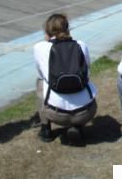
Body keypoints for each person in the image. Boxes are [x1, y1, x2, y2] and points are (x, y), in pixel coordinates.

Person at [33, 14, 97, 146]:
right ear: (68, 28)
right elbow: (88, 69)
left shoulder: (39, 47)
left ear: (47, 30)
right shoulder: (81, 45)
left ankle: (46, 130)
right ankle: (77, 126)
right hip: (86, 113)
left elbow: (41, 73)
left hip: (56, 115)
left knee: (41, 81)